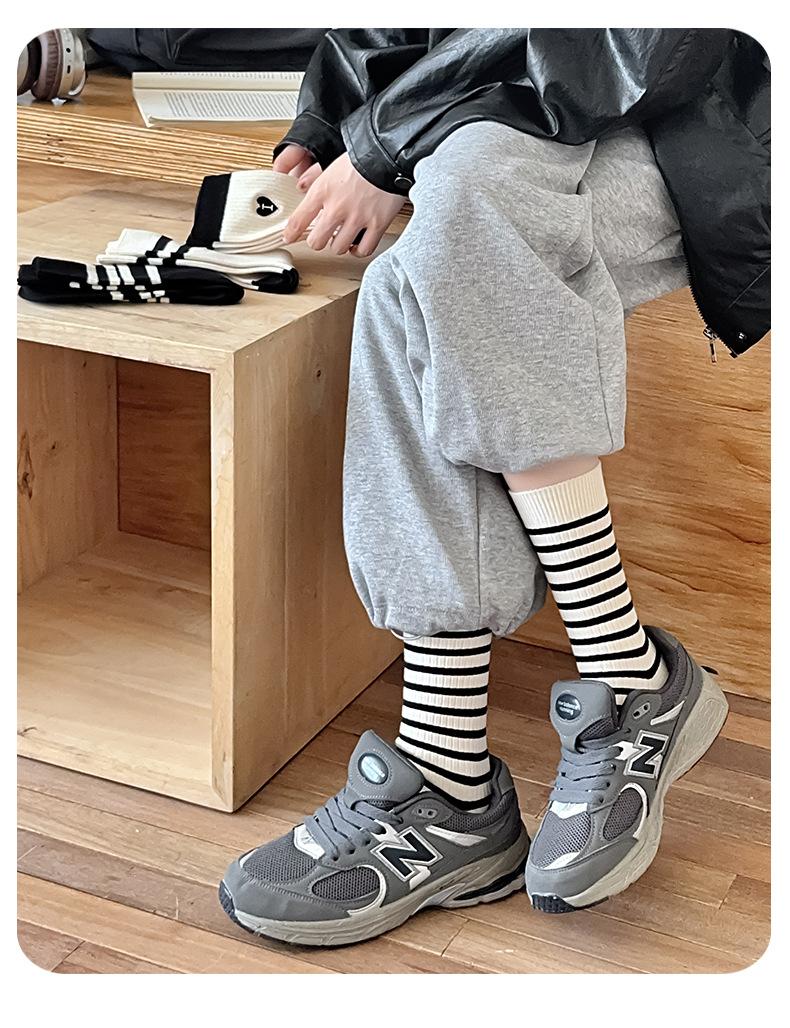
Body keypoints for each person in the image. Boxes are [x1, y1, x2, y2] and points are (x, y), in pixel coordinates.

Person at [219, 28, 770, 945]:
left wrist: (385, 145)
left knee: (473, 201)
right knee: (417, 275)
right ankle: (482, 762)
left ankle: (594, 687)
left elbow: (633, 39)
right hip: (495, 113)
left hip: (698, 123)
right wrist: (330, 117)